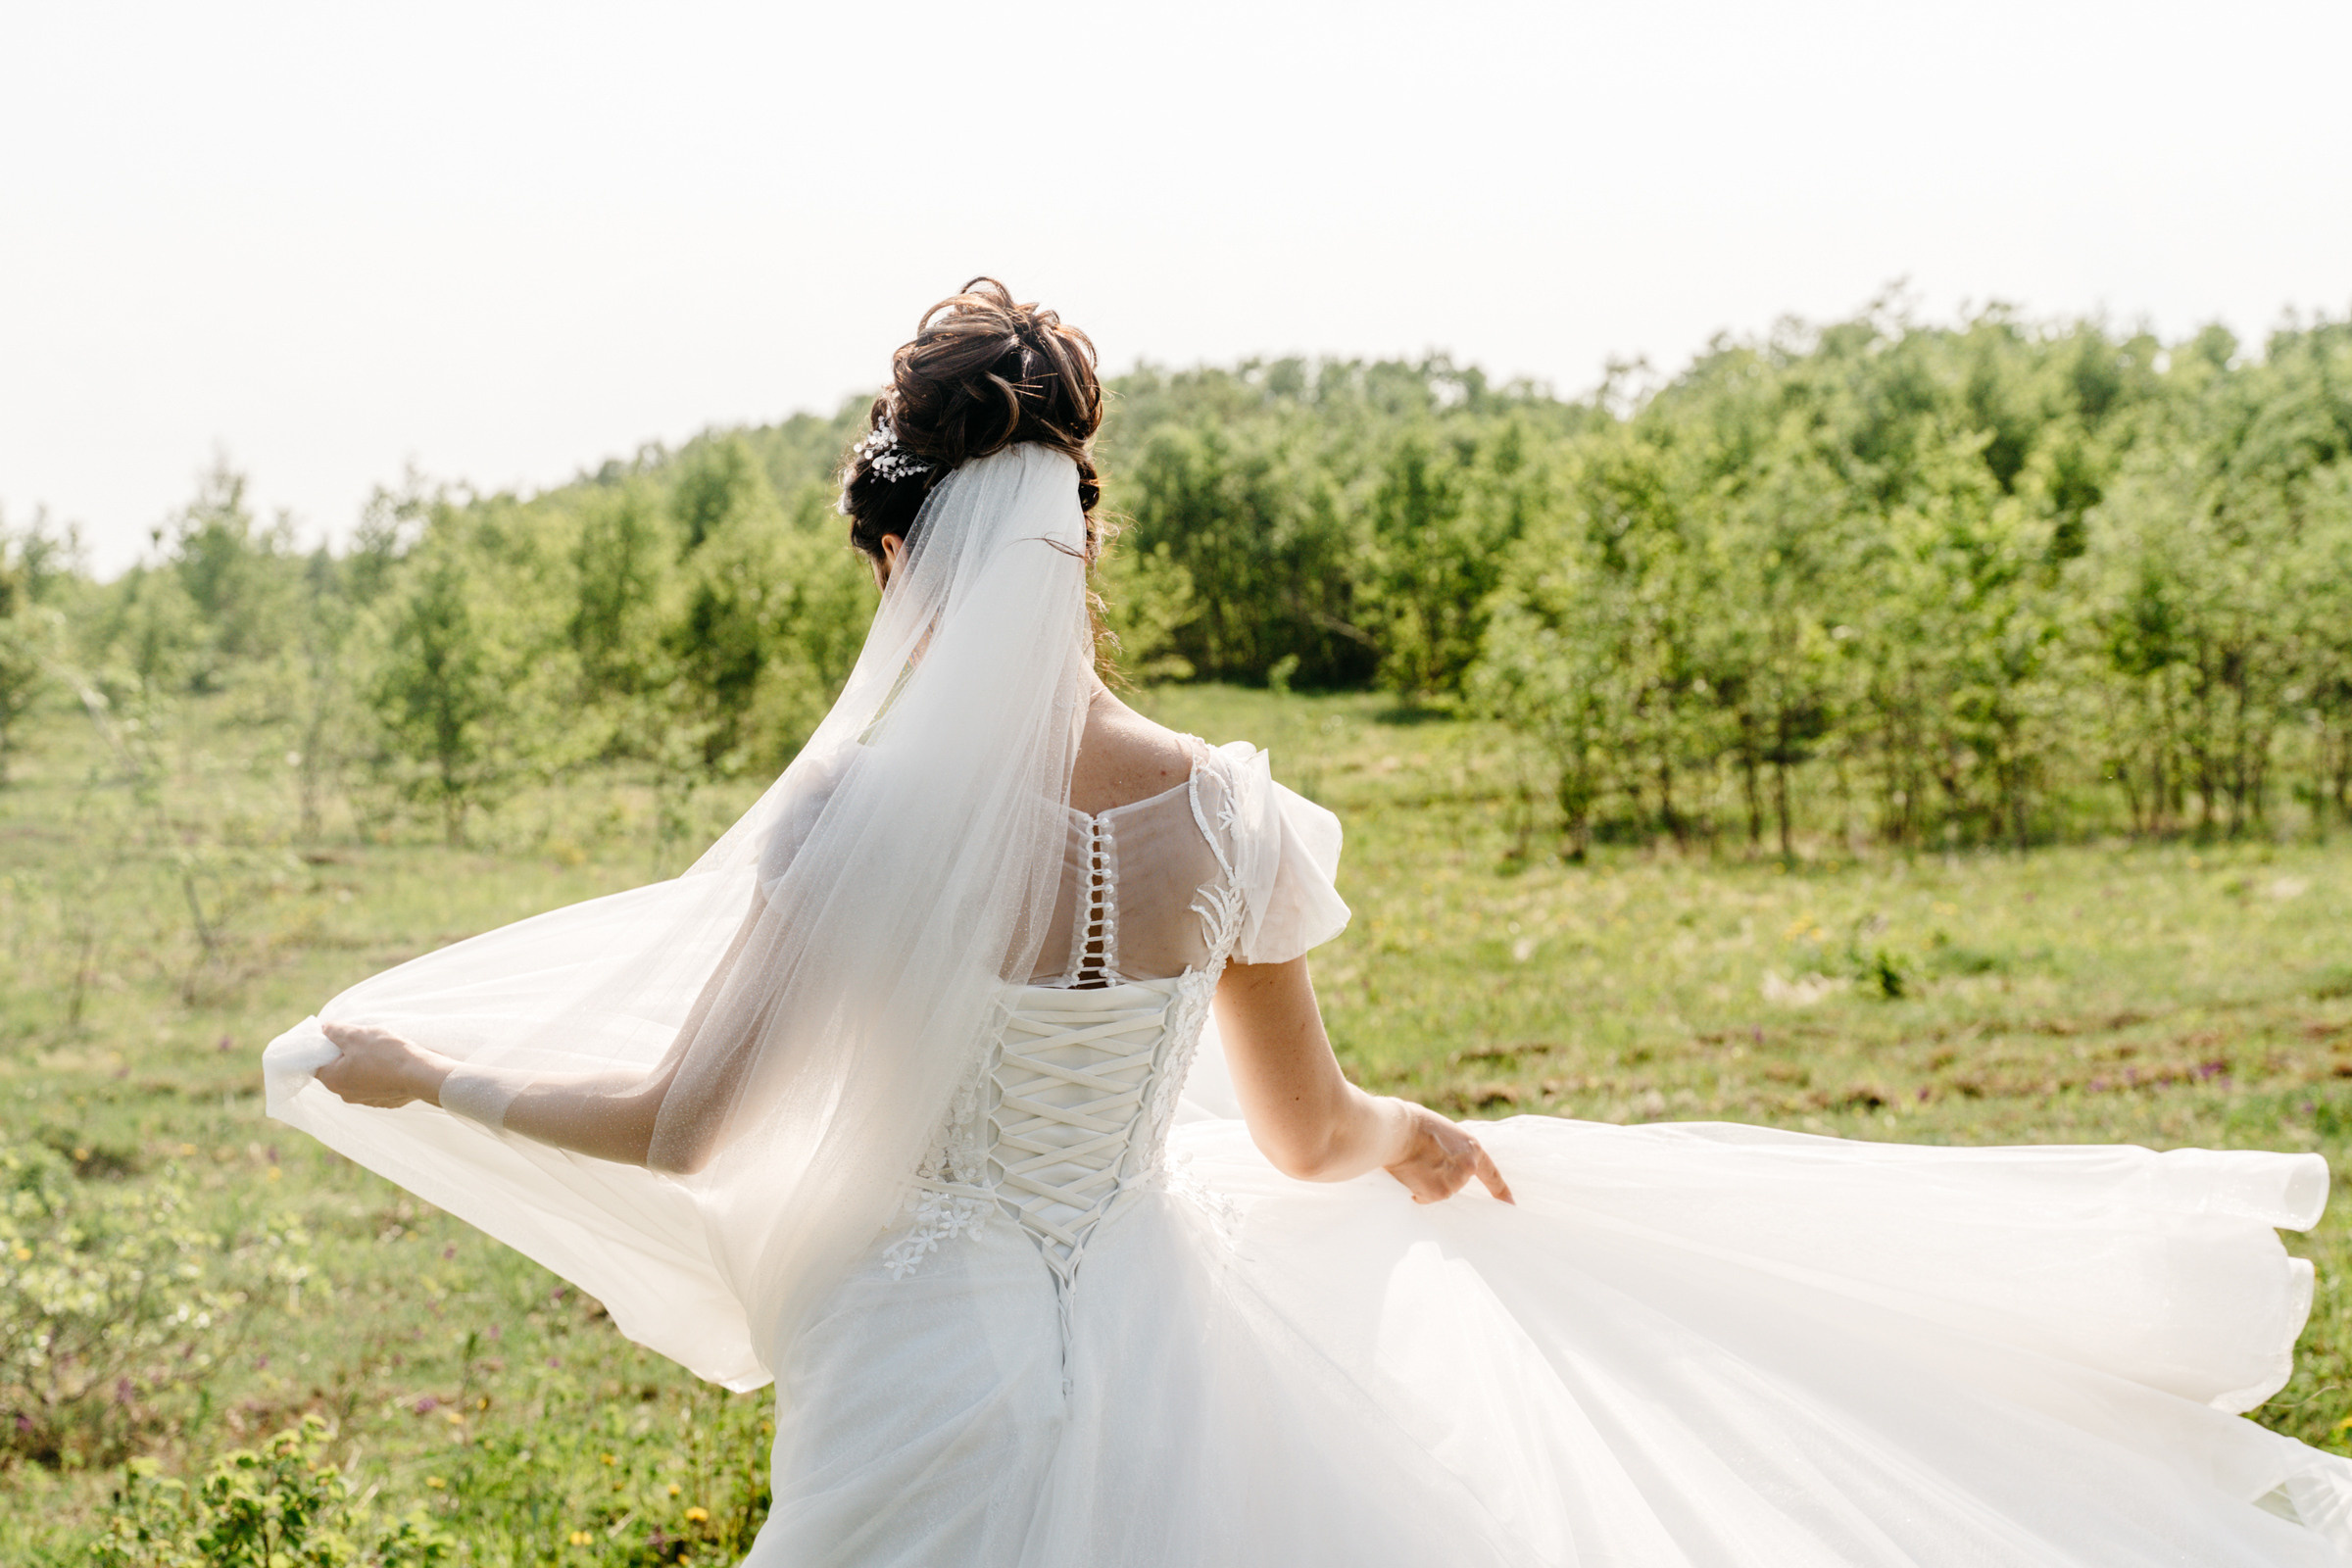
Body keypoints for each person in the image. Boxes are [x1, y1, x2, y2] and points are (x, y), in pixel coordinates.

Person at [268, 279, 2352, 1566]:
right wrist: (1410, 1133)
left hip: (919, 1353)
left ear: (903, 562)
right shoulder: (1226, 813)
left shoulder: (848, 820)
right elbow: (1303, 1135)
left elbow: (683, 1123)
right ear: (1081, 540)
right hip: (1162, 1339)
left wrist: (422, 1072)